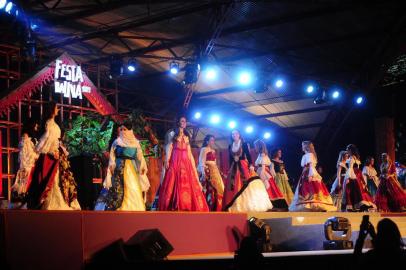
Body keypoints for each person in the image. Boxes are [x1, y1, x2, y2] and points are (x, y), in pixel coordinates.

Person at [26, 102, 80, 210]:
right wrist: (51, 152)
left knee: (59, 179)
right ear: (52, 110)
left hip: (56, 155)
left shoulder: (53, 124)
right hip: (51, 156)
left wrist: (62, 151)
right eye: (56, 108)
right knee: (53, 179)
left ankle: (59, 201)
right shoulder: (49, 123)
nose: (58, 110)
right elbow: (45, 140)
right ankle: (50, 203)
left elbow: (55, 141)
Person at [95, 121, 149, 211]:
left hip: (131, 168)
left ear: (130, 130)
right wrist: (112, 166)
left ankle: (133, 207)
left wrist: (142, 167)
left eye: (125, 129)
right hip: (119, 166)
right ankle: (117, 206)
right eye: (122, 129)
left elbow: (139, 157)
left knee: (132, 186)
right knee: (118, 186)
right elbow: (112, 156)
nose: (123, 131)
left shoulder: (135, 143)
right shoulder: (117, 142)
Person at [157, 116, 208, 211]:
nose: (184, 123)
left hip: (185, 161)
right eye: (182, 121)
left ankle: (185, 205)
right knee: (172, 180)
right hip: (175, 159)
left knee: (187, 182)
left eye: (185, 121)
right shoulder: (172, 134)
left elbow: (189, 152)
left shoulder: (187, 136)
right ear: (178, 122)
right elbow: (169, 148)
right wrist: (167, 160)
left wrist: (192, 164)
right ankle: (173, 204)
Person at [223, 130, 273, 212]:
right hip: (234, 167)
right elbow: (230, 159)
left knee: (246, 182)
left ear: (239, 135)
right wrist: (229, 169)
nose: (234, 135)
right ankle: (234, 205)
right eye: (232, 134)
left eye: (236, 134)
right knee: (233, 184)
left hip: (243, 165)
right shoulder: (230, 145)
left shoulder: (244, 144)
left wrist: (250, 165)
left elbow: (248, 155)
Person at [289, 141, 336, 212]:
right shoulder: (309, 154)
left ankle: (312, 205)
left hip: (308, 173)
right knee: (313, 188)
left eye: (303, 145)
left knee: (309, 188)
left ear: (306, 147)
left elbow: (310, 166)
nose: (302, 147)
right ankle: (313, 204)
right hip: (307, 172)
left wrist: (310, 175)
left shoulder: (308, 155)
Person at [10, 120, 40, 205]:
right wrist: (37, 155)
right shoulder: (25, 138)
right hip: (27, 166)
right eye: (35, 126)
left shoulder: (30, 138)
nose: (36, 129)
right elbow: (26, 154)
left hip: (30, 165)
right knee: (24, 185)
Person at [254, 139, 288, 210]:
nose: (255, 148)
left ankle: (272, 204)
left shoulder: (263, 155)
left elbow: (263, 167)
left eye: (255, 146)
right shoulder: (261, 154)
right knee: (268, 188)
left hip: (263, 172)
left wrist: (261, 177)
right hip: (262, 171)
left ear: (258, 146)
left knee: (267, 188)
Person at [343, 144, 376, 212]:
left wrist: (348, 177)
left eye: (347, 150)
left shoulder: (352, 158)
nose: (347, 151)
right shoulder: (356, 158)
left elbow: (350, 168)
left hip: (352, 175)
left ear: (350, 150)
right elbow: (358, 168)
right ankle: (359, 205)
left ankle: (352, 206)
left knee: (350, 190)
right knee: (358, 190)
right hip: (357, 175)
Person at [197, 135, 225, 211]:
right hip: (208, 170)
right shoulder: (204, 149)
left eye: (213, 140)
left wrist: (220, 172)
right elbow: (201, 161)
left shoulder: (213, 150)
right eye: (211, 140)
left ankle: (216, 206)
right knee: (209, 187)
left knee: (219, 188)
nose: (213, 142)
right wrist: (203, 172)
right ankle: (207, 205)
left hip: (215, 171)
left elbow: (215, 163)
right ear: (207, 141)